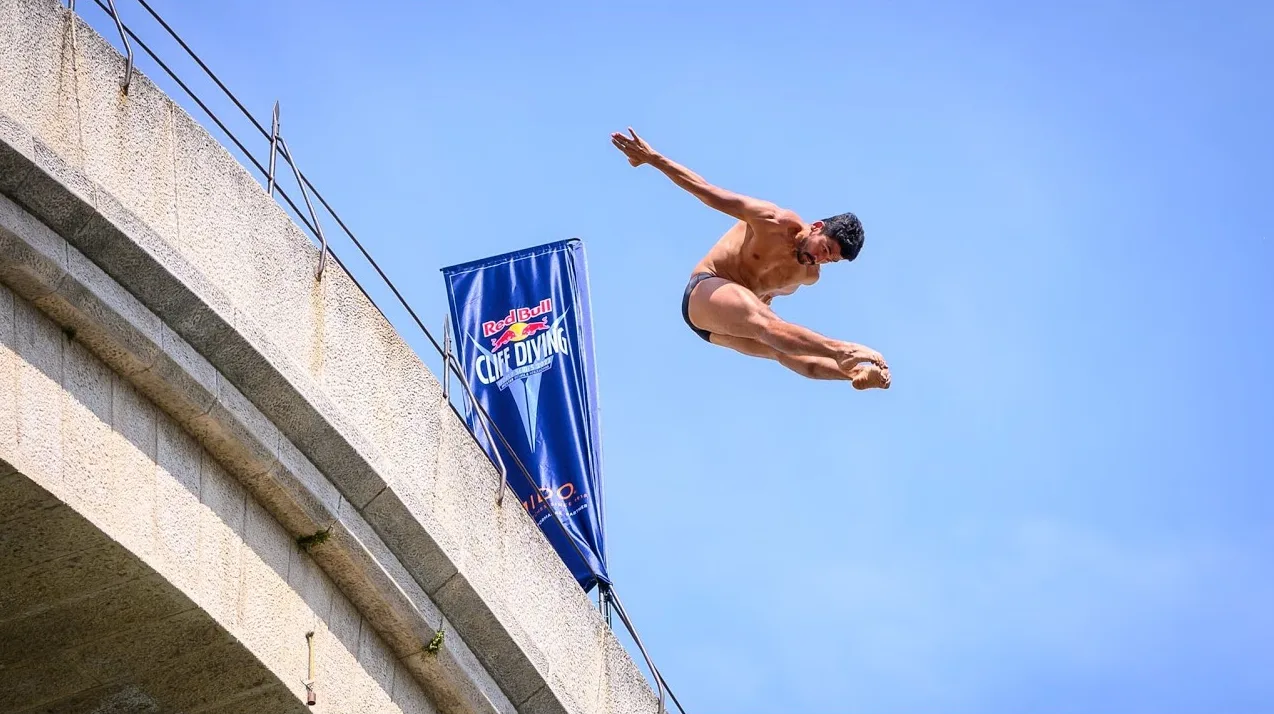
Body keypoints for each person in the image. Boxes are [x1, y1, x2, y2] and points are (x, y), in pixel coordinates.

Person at [610, 127, 891, 390]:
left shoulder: (808, 276)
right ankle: (842, 350)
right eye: (825, 249)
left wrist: (765, 299)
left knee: (783, 351)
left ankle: (854, 373)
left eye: (831, 260)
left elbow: (772, 298)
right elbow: (705, 191)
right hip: (704, 291)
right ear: (817, 227)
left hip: (716, 328)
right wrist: (653, 159)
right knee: (767, 324)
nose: (821, 259)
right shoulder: (773, 221)